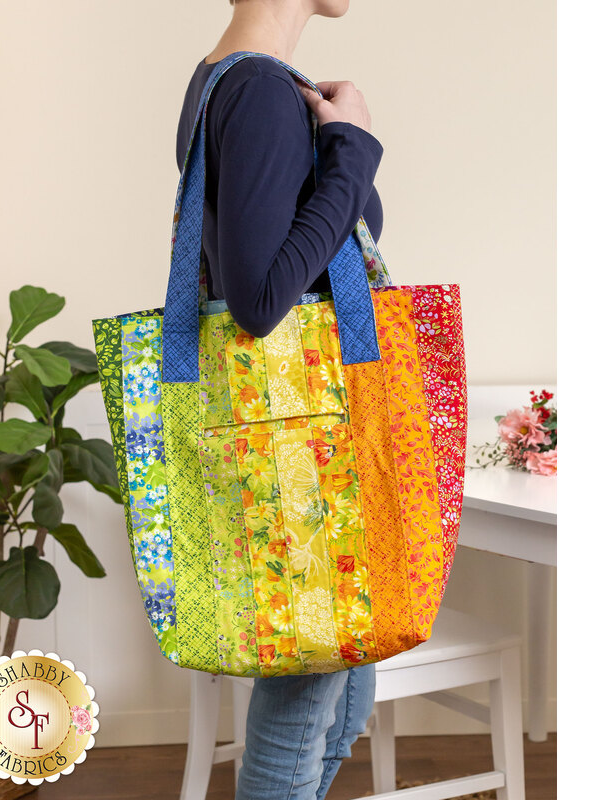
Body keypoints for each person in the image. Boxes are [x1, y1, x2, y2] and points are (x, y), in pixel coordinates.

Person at [175, 2, 384, 798]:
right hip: (302, 447)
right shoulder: (258, 90)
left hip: (304, 432)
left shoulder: (224, 80)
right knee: (303, 712)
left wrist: (339, 148)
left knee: (340, 697)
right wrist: (354, 146)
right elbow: (262, 300)